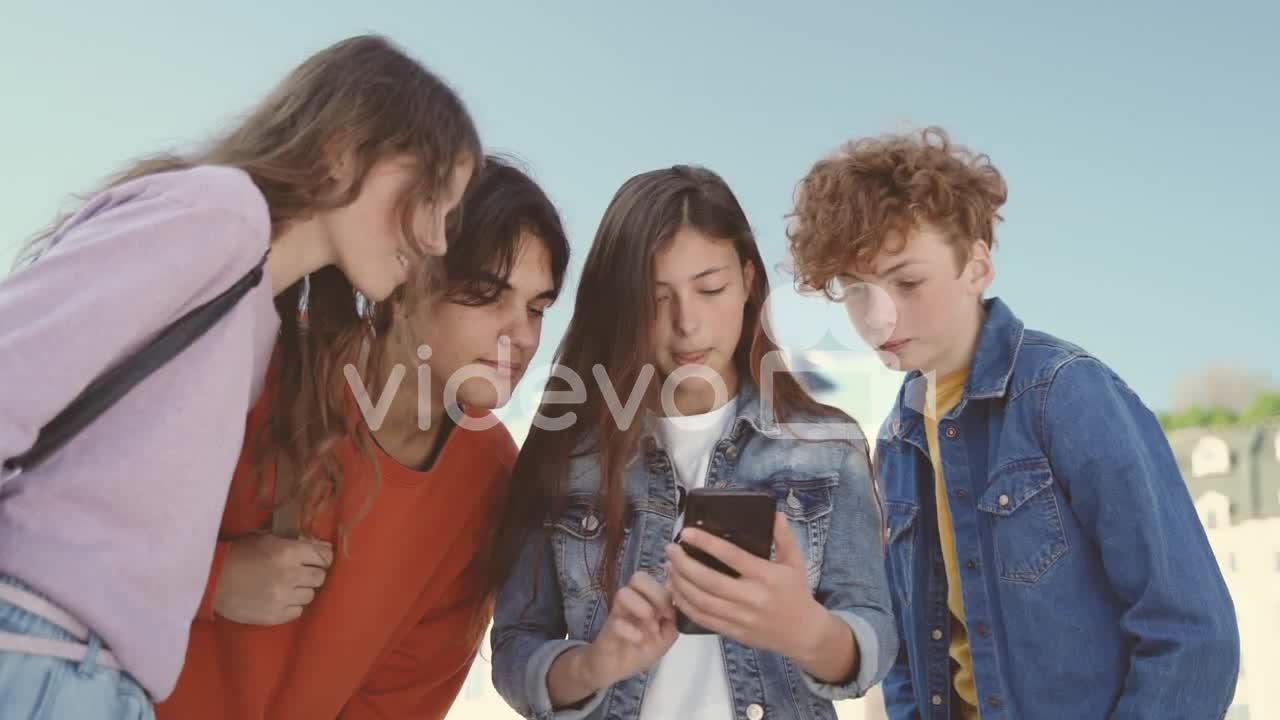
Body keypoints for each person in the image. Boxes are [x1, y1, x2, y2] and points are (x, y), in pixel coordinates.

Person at [0, 34, 479, 718]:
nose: (436, 239)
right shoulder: (223, 215)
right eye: (430, 195)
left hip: (98, 679)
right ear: (342, 150)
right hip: (39, 655)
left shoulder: (261, 313)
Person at [785, 126, 1241, 718]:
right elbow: (907, 659)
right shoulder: (896, 442)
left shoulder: (1067, 393)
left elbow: (1193, 639)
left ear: (977, 266)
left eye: (907, 281)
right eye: (854, 290)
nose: (878, 315)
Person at [155, 155, 571, 720]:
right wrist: (213, 583)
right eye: (488, 294)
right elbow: (58, 532)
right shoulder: (263, 362)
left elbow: (404, 694)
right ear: (408, 279)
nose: (521, 334)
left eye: (536, 308)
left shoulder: (492, 475)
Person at [489, 164, 896, 720]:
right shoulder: (564, 455)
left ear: (749, 281)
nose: (688, 324)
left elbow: (874, 632)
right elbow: (516, 648)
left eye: (710, 288)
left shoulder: (827, 445)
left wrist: (808, 632)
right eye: (656, 299)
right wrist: (595, 664)